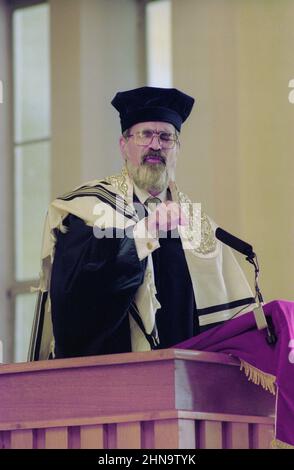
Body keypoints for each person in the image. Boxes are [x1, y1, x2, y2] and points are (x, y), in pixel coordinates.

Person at [28, 86, 255, 361]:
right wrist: (143, 233)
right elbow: (75, 298)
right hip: (111, 379)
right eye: (145, 134)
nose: (155, 145)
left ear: (177, 148)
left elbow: (233, 324)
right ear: (123, 146)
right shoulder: (90, 209)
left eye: (166, 137)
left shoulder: (199, 226)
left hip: (187, 385)